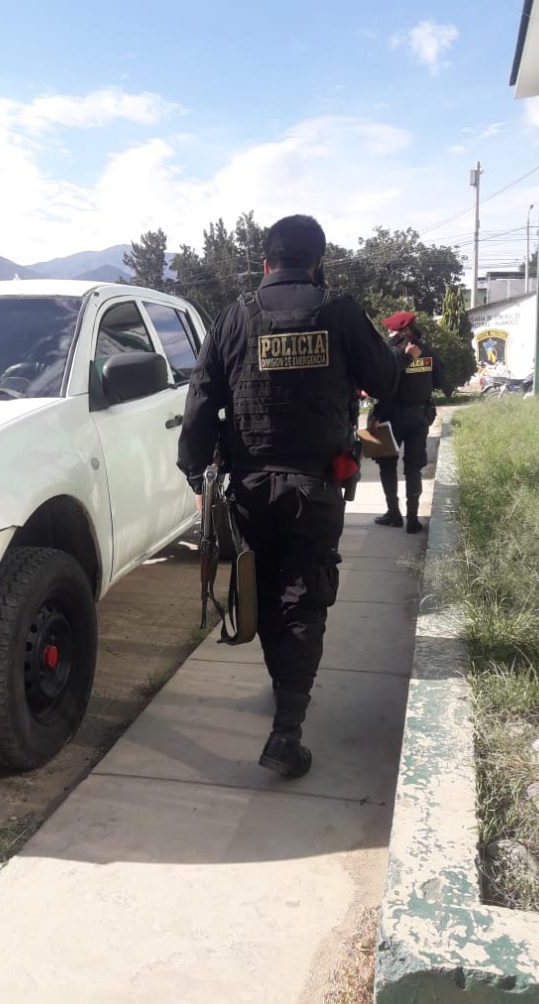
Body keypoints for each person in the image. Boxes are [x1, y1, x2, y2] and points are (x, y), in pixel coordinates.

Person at [177, 214, 403, 779]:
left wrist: (196, 476)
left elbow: (200, 401)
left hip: (250, 488)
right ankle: (287, 730)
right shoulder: (339, 311)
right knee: (304, 597)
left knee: (266, 589)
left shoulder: (234, 317)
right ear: (319, 261)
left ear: (265, 262)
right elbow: (385, 380)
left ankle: (285, 694)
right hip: (316, 487)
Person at [371, 311, 443, 535]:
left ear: (401, 330)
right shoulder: (427, 351)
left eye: (390, 330)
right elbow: (439, 380)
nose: (388, 333)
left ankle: (393, 514)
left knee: (386, 465)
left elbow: (379, 382)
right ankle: (412, 520)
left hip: (389, 415)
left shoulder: (390, 352)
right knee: (414, 468)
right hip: (419, 416)